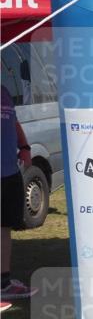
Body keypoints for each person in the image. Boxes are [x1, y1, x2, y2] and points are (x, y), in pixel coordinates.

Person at [0, 85, 37, 306]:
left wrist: (24, 146)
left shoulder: (4, 90)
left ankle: (4, 284)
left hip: (8, 170)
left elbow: (12, 121)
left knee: (4, 226)